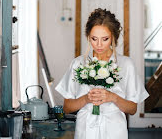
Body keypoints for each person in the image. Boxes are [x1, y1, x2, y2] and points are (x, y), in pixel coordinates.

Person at [55, 8, 149, 139]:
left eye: (105, 39)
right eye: (94, 38)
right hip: (85, 129)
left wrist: (112, 97)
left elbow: (132, 109)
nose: (99, 45)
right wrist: (86, 99)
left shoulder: (126, 64)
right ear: (88, 36)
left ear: (113, 38)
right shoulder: (78, 64)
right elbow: (67, 108)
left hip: (114, 129)